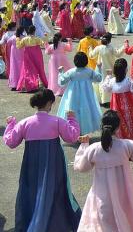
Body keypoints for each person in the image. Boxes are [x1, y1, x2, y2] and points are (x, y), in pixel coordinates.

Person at [4, 88, 82, 232]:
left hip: (31, 163)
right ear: (49, 103)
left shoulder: (25, 123)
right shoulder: (57, 121)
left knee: (32, 190)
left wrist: (10, 125)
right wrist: (72, 119)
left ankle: (33, 220)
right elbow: (72, 137)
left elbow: (11, 142)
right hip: (53, 163)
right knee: (56, 191)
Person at [73, 110, 133, 232]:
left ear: (102, 126)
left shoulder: (94, 149)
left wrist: (84, 146)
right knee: (128, 218)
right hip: (125, 191)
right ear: (118, 127)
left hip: (101, 193)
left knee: (103, 222)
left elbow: (81, 167)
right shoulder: (127, 145)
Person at [58, 51, 103, 135]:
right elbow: (99, 78)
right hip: (87, 96)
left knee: (73, 111)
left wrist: (61, 72)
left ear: (75, 61)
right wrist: (98, 67)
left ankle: (74, 130)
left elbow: (62, 81)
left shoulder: (71, 72)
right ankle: (84, 131)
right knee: (87, 110)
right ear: (86, 61)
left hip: (73, 96)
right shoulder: (89, 71)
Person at [89, 32, 127, 106]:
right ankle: (109, 99)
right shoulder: (111, 47)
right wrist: (124, 46)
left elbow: (91, 55)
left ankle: (101, 99)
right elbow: (118, 54)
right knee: (110, 82)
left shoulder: (99, 48)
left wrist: (90, 49)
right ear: (110, 41)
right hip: (110, 67)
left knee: (100, 82)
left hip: (100, 68)